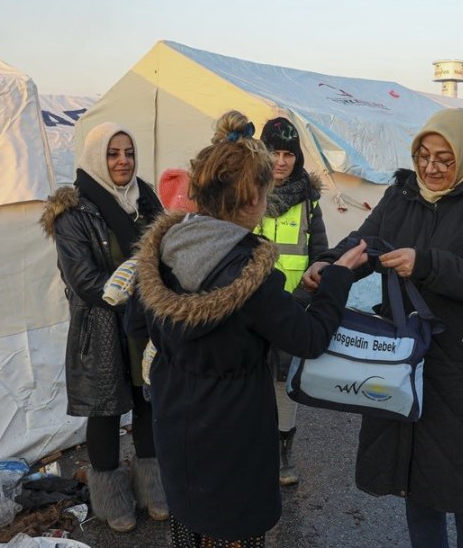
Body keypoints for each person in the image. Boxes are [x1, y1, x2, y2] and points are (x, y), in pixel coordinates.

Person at [129, 113, 368, 547]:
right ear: (255, 197)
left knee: (189, 523)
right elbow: (309, 338)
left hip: (175, 418)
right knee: (235, 529)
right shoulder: (251, 275)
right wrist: (337, 278)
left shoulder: (163, 249)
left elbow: (134, 321)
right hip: (233, 430)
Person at [302, 108, 463, 547]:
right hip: (403, 358)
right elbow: (364, 243)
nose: (431, 168)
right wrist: (329, 265)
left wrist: (427, 264)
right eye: (423, 156)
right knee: (416, 481)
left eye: (444, 159)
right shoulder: (401, 195)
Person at [40, 122, 167, 532]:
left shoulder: (147, 200)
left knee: (148, 402)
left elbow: (166, 255)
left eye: (128, 153)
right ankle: (112, 500)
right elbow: (84, 280)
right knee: (106, 411)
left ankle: (153, 489)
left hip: (144, 324)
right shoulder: (72, 211)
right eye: (113, 153)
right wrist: (145, 288)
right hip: (100, 327)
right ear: (97, 156)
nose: (123, 161)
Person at [251, 116, 328, 486]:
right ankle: (254, 451)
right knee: (250, 382)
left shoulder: (309, 203)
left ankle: (283, 456)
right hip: (249, 308)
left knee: (284, 384)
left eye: (288, 154)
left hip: (292, 309)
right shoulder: (247, 194)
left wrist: (304, 296)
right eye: (274, 153)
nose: (281, 162)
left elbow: (320, 256)